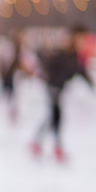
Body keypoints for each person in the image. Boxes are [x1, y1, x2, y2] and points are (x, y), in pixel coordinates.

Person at [31, 25, 94, 162]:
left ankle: (45, 144)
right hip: (53, 88)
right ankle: (49, 145)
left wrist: (91, 85)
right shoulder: (65, 51)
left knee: (54, 117)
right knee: (55, 117)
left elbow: (81, 71)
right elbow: (50, 63)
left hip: (59, 88)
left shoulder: (75, 55)